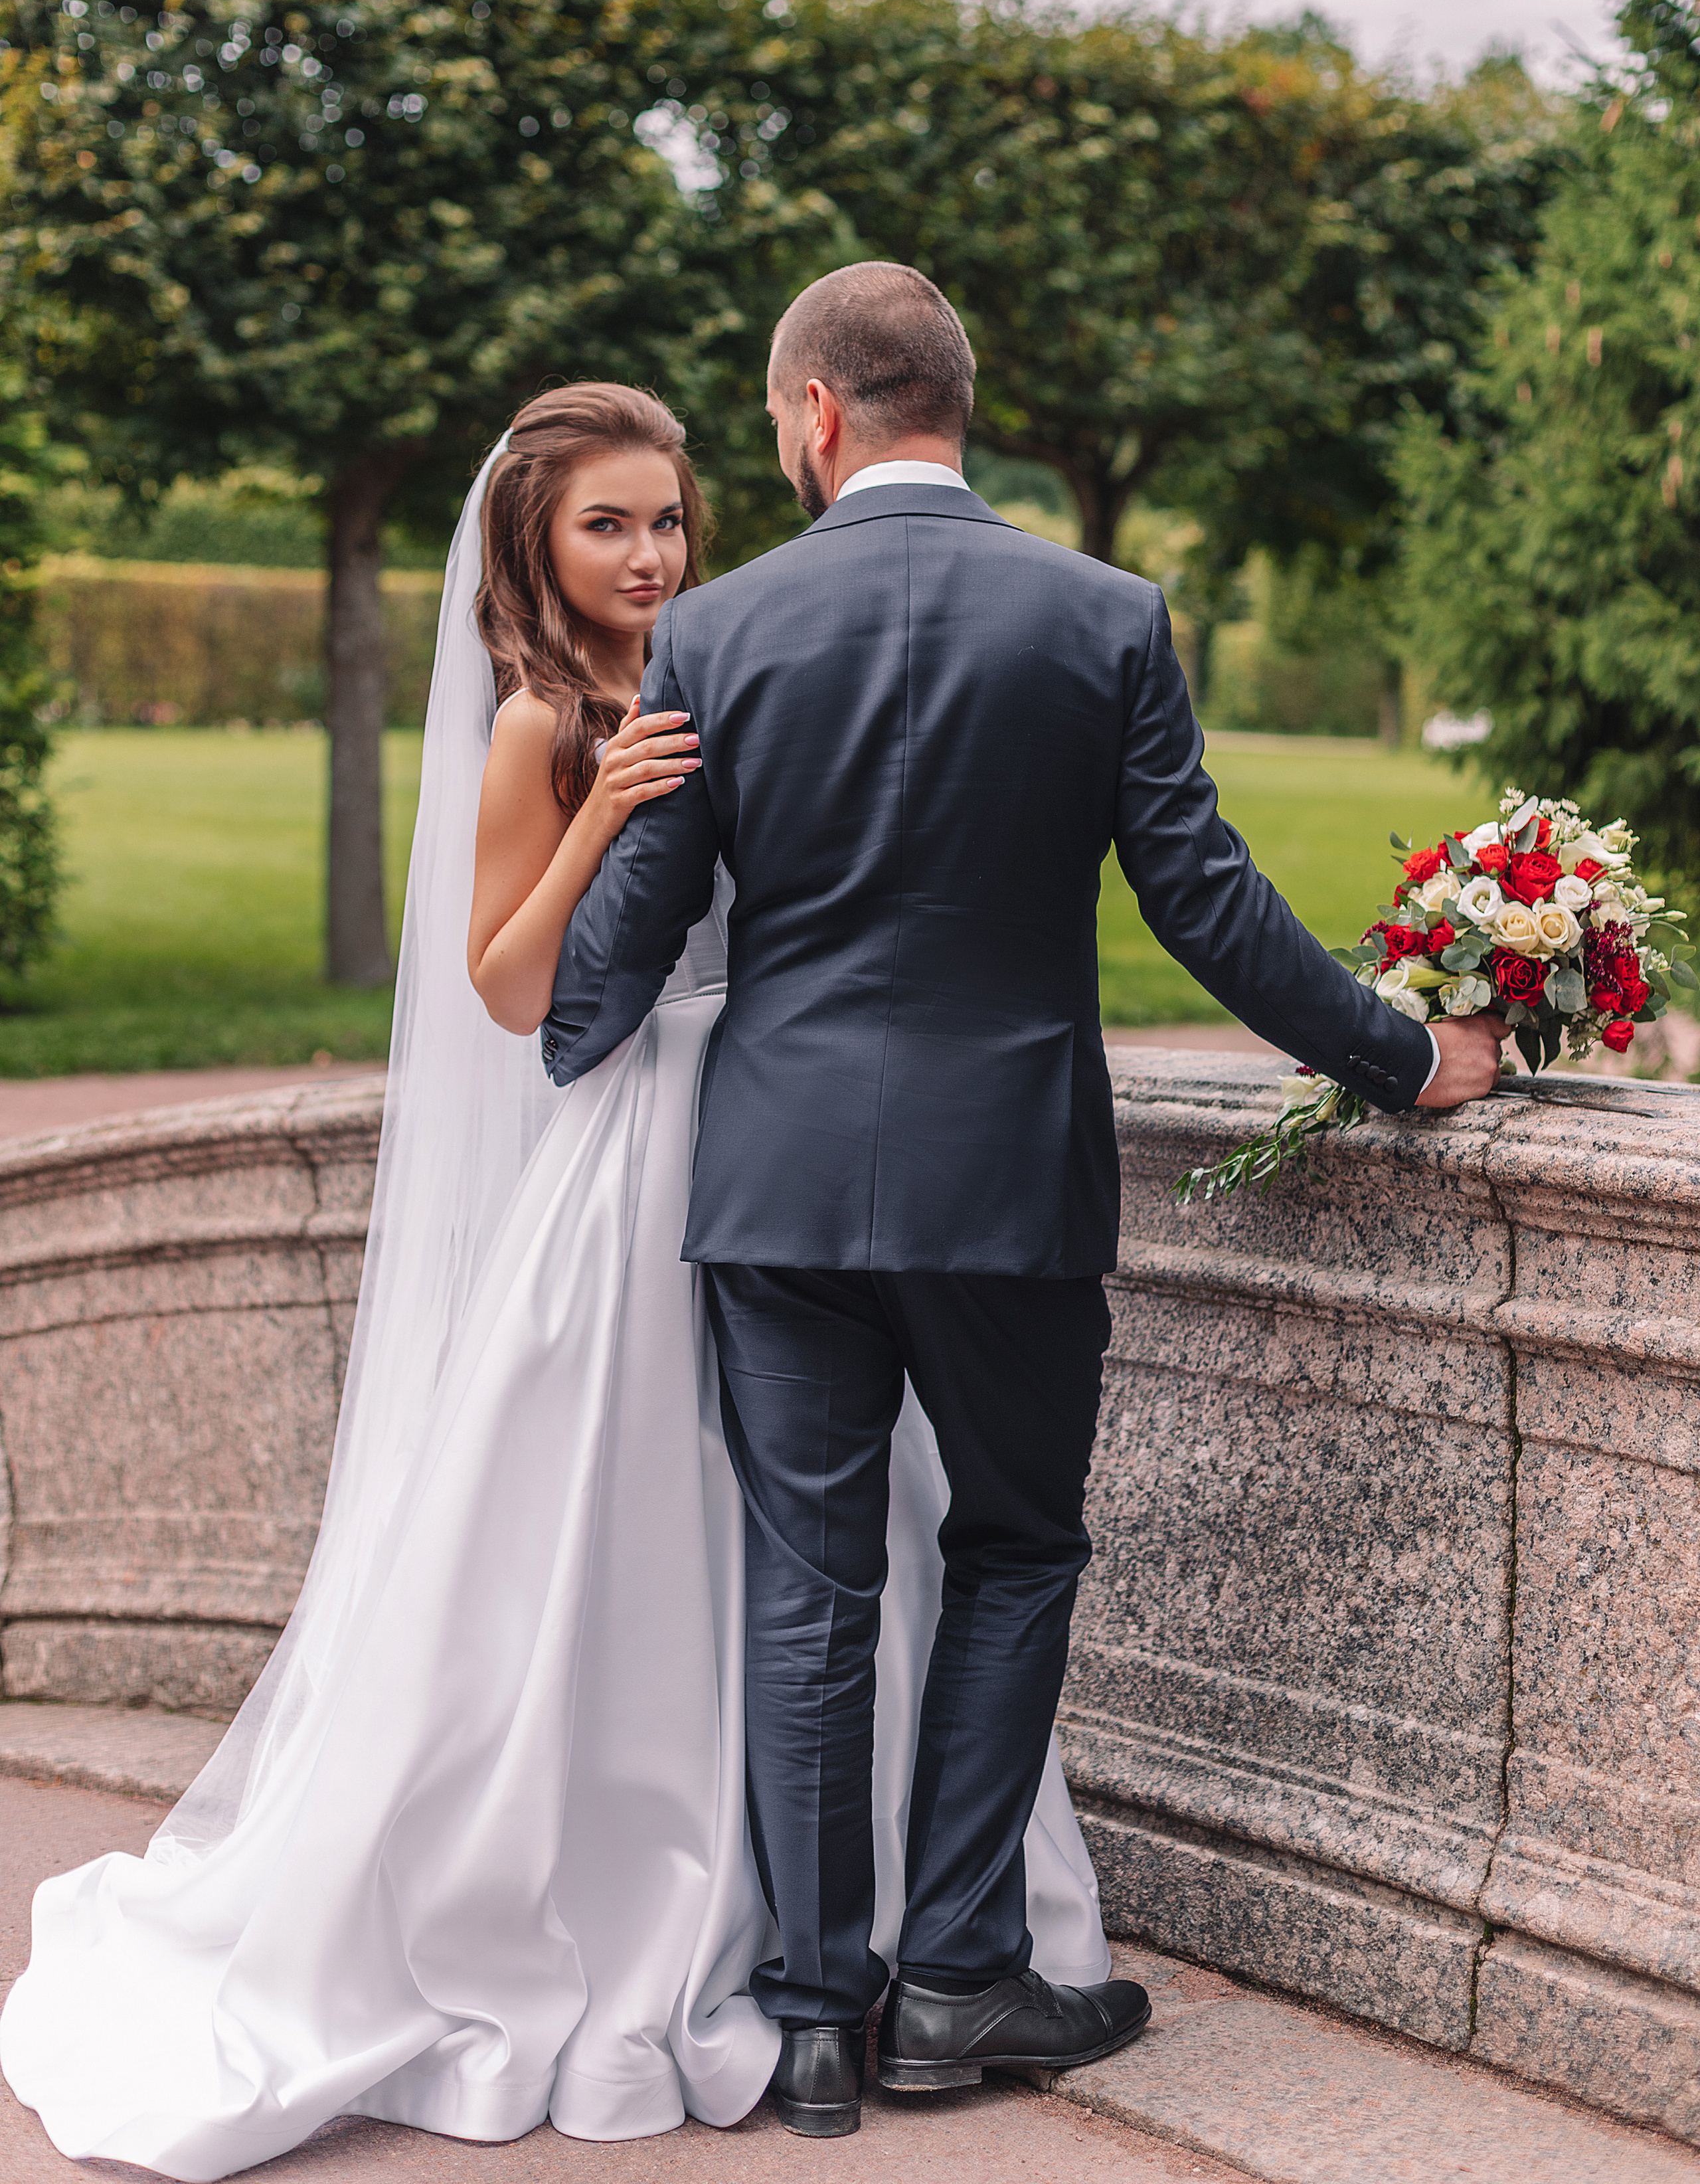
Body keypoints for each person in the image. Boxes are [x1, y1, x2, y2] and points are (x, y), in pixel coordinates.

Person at [0, 380, 1110, 2177]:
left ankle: (846, 1939)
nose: (653, 554)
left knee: (822, 1551)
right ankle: (630, 1899)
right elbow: (511, 995)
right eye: (610, 524)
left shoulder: (730, 663)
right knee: (627, 1527)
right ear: (537, 539)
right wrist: (609, 806)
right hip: (634, 1158)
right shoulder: (540, 718)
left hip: (770, 1143)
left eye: (670, 519)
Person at [545, 266, 1509, 2136]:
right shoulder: (1105, 615)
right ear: (949, 405)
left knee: (812, 1593)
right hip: (1008, 1187)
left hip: (780, 1192)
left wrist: (573, 975)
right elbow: (1209, 905)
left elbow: (611, 979)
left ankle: (817, 2013)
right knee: (1009, 1556)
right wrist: (1408, 1056)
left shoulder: (721, 632)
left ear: (817, 414)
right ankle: (960, 1986)